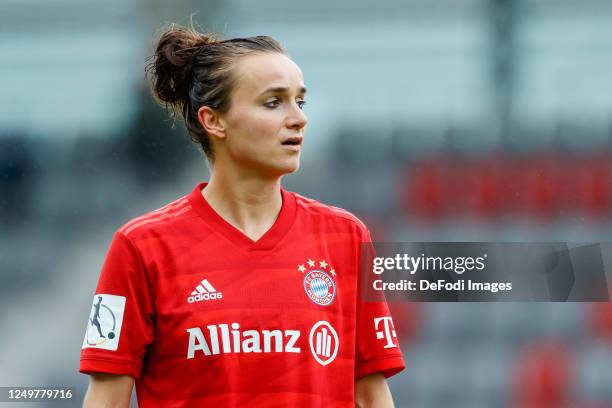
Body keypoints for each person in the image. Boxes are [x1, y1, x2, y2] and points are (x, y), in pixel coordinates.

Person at [80, 23, 405, 407]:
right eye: (273, 102)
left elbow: (371, 394)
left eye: (300, 101)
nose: (298, 118)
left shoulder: (347, 237)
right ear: (213, 120)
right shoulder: (140, 247)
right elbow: (106, 398)